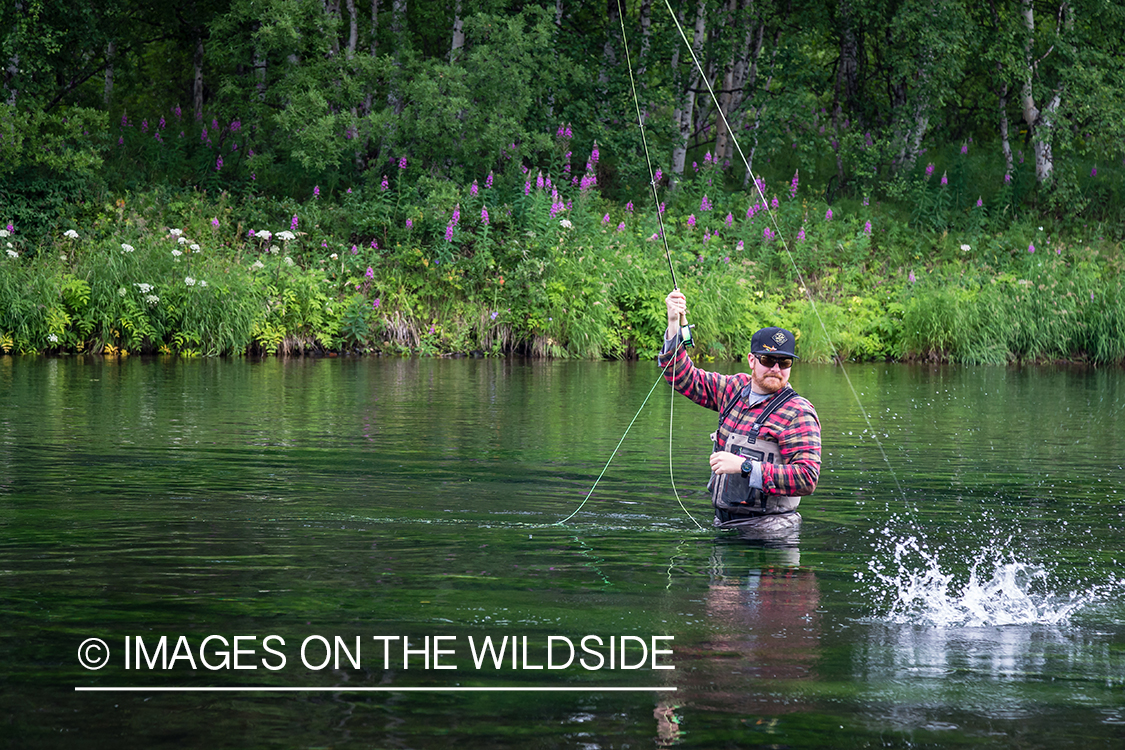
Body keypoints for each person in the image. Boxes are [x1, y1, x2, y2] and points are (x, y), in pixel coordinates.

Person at [658, 289, 821, 536]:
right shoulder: (733, 389)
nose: (776, 368)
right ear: (752, 360)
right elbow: (680, 376)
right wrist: (673, 324)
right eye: (768, 360)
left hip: (773, 532)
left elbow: (807, 478)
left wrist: (746, 467)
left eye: (784, 363)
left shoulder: (797, 412)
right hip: (724, 524)